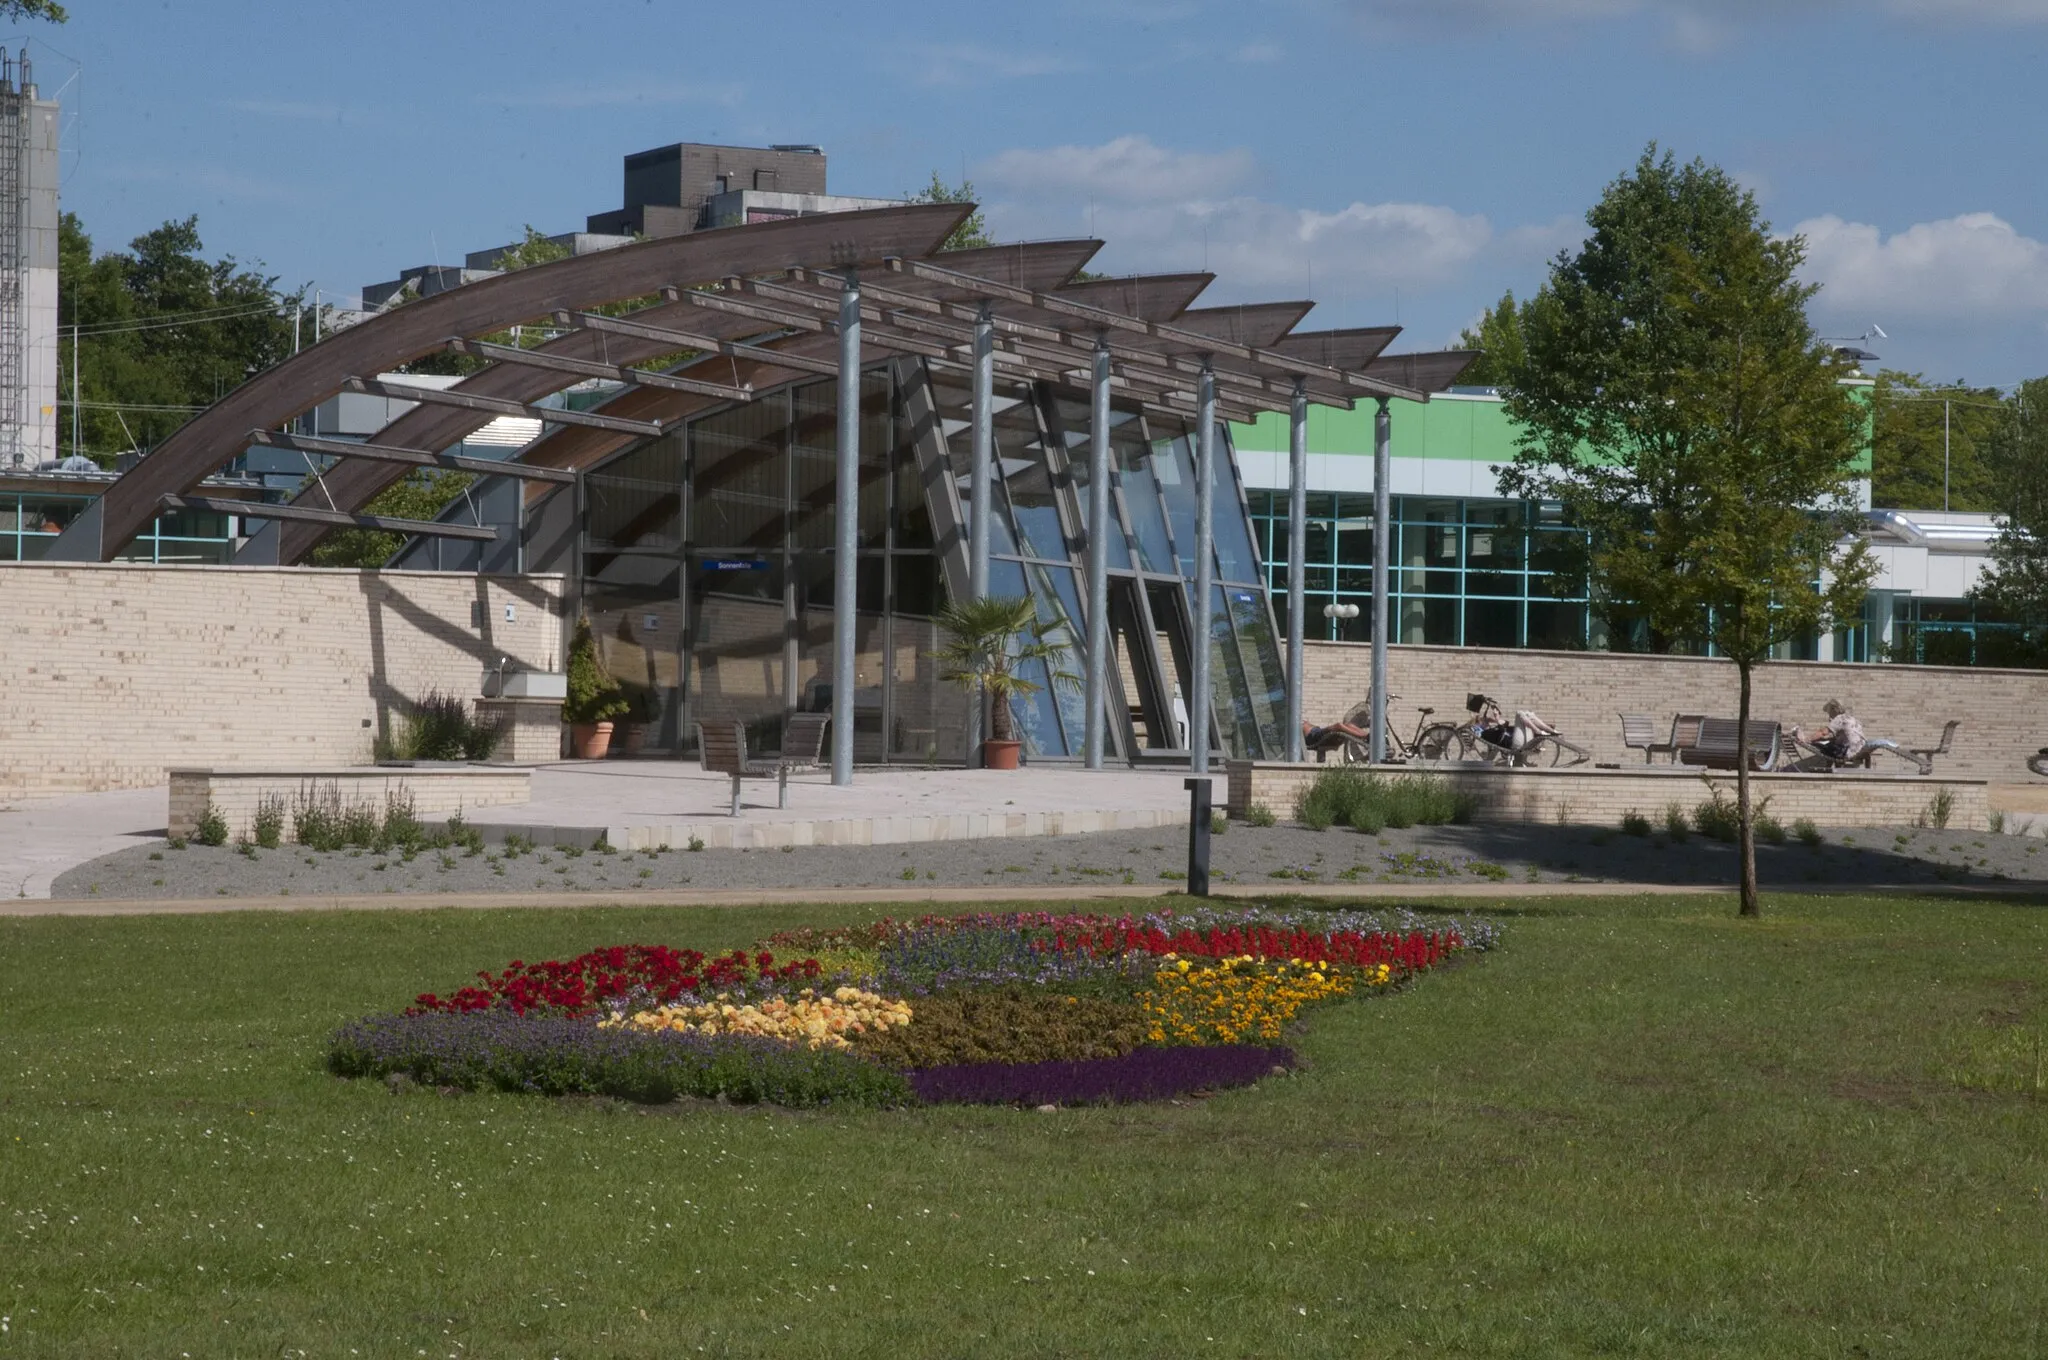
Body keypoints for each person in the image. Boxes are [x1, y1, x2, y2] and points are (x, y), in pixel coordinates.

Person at [1802, 699, 1865, 763]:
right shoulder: (1851, 718)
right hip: (1860, 747)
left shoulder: (1839, 718)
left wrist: (1806, 739)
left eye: (1829, 711)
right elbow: (1845, 735)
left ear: (1834, 709)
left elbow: (1823, 732)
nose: (1829, 715)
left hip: (1848, 751)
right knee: (1829, 743)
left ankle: (1828, 766)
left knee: (1818, 744)